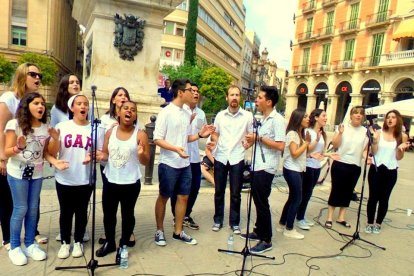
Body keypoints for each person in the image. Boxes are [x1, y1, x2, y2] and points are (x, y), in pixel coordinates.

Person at [4, 92, 67, 265]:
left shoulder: (46, 127)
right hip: (17, 173)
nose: (41, 106)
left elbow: (45, 152)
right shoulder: (14, 124)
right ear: (26, 106)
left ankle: (30, 244)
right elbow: (6, 152)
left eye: (42, 104)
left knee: (32, 209)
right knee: (20, 208)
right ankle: (15, 246)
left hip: (37, 174)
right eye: (36, 103)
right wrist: (18, 147)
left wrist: (55, 158)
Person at [153, 78, 214, 246]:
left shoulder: (187, 113)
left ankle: (178, 232)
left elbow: (186, 138)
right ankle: (159, 230)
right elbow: (157, 139)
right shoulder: (166, 112)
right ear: (180, 93)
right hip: (168, 163)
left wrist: (201, 135)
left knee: (184, 197)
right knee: (164, 197)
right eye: (189, 90)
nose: (193, 92)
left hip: (185, 164)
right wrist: (176, 149)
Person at [95, 101, 150, 257]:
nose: (129, 112)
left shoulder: (140, 134)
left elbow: (146, 161)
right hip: (111, 180)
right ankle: (110, 243)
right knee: (109, 214)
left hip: (130, 183)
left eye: (133, 110)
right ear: (118, 113)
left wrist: (141, 153)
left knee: (127, 215)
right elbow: (105, 154)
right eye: (126, 108)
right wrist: (100, 156)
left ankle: (124, 244)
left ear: (135, 116)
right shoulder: (110, 133)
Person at [0, 62, 42, 252]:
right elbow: (0, 129)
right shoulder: (10, 98)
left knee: (29, 204)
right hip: (9, 158)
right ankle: (9, 239)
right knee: (10, 201)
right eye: (33, 74)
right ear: (22, 75)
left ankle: (30, 238)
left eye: (39, 75)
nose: (37, 78)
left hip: (30, 163)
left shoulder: (34, 101)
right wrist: (2, 158)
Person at [241, 86, 285, 253]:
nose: (256, 100)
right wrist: (249, 142)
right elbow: (260, 140)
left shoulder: (277, 120)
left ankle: (266, 239)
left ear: (269, 101)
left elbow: (281, 145)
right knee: (257, 199)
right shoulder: (263, 118)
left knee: (262, 202)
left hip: (267, 167)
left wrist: (258, 138)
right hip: (257, 165)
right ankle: (258, 230)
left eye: (259, 97)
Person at [48, 94, 92, 259]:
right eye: (79, 104)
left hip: (84, 178)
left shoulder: (94, 128)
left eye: (85, 104)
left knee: (81, 212)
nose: (83, 106)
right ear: (72, 108)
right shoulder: (62, 126)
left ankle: (79, 241)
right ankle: (65, 242)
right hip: (64, 177)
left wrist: (92, 157)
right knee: (65, 212)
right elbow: (52, 152)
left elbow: (99, 151)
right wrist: (55, 139)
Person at [97, 87, 137, 247]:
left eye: (126, 96)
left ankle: (126, 239)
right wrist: (98, 155)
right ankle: (110, 239)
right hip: (109, 168)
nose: (123, 98)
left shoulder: (135, 125)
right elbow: (103, 147)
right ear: (114, 100)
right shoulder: (106, 120)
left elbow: (142, 153)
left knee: (127, 212)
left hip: (129, 173)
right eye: (120, 96)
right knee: (109, 209)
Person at [210, 85, 254, 234]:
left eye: (237, 95)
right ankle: (218, 220)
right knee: (218, 191)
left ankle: (234, 222)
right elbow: (215, 133)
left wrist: (248, 143)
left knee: (236, 193)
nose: (234, 97)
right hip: (221, 156)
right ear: (227, 98)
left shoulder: (247, 116)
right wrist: (214, 143)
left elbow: (251, 135)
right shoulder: (220, 116)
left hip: (237, 156)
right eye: (231, 95)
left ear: (239, 97)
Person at [365, 110, 410, 234]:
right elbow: (373, 152)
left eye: (393, 117)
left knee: (384, 198)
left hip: (391, 170)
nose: (390, 120)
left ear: (398, 120)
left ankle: (378, 223)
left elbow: (399, 157)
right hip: (376, 168)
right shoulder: (378, 133)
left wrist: (400, 149)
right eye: (388, 117)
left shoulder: (402, 136)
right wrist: (374, 141)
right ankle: (369, 222)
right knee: (373, 197)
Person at [170, 83, 207, 230]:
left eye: (198, 91)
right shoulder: (181, 110)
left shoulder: (201, 113)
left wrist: (208, 136)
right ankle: (176, 216)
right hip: (180, 156)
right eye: (193, 91)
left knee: (195, 187)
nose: (196, 94)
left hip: (195, 157)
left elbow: (201, 133)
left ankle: (186, 214)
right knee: (177, 189)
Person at [295, 109, 339, 230]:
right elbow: (307, 150)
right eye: (323, 116)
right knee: (305, 193)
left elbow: (319, 152)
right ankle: (299, 218)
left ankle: (301, 216)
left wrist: (328, 155)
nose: (326, 118)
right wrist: (317, 139)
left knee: (309, 193)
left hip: (317, 166)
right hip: (308, 166)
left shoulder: (322, 133)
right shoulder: (308, 132)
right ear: (316, 118)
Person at [325, 106, 368, 229]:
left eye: (361, 113)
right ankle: (329, 217)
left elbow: (364, 150)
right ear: (351, 115)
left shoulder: (365, 131)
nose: (358, 115)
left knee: (348, 191)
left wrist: (367, 158)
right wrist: (340, 133)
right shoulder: (343, 128)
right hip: (341, 162)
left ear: (363, 116)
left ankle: (341, 217)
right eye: (356, 113)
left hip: (355, 166)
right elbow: (335, 145)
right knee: (336, 189)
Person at [278, 109, 310, 239]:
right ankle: (289, 228)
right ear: (298, 118)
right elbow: (295, 153)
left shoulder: (299, 134)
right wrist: (307, 142)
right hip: (292, 170)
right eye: (305, 117)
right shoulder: (292, 134)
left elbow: (302, 153)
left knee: (292, 198)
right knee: (297, 198)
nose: (308, 119)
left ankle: (282, 223)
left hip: (298, 169)